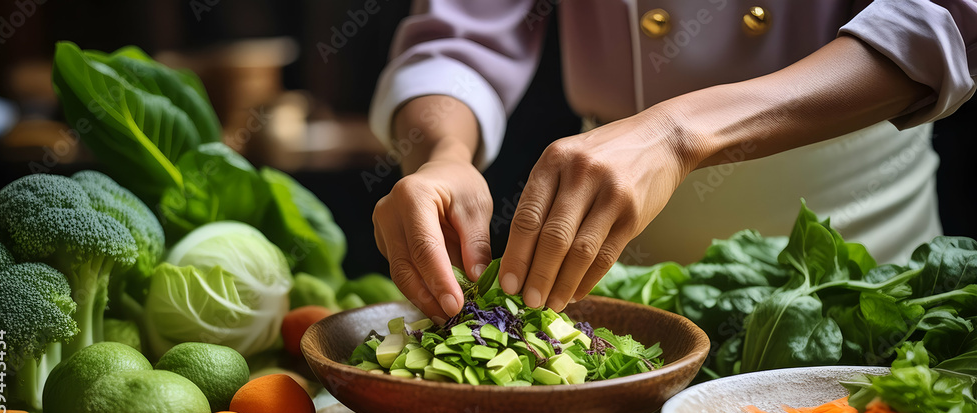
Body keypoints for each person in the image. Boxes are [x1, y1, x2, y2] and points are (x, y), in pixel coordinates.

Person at [368, 0, 977, 320]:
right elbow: (460, 38)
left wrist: (676, 134)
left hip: (853, 240)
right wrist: (444, 154)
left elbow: (943, 18)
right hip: (621, 271)